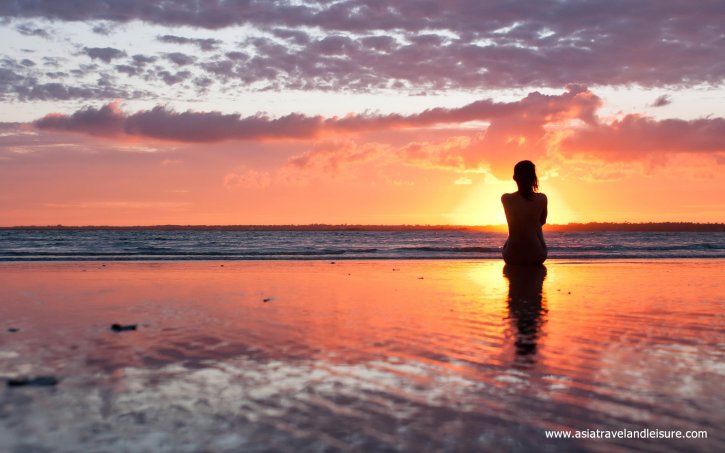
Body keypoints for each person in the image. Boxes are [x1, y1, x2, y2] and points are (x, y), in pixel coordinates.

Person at [501, 160, 547, 265]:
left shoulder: (505, 198)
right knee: (535, 225)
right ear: (534, 178)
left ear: (514, 178)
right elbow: (542, 221)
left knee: (518, 226)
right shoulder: (542, 198)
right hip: (537, 257)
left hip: (511, 257)